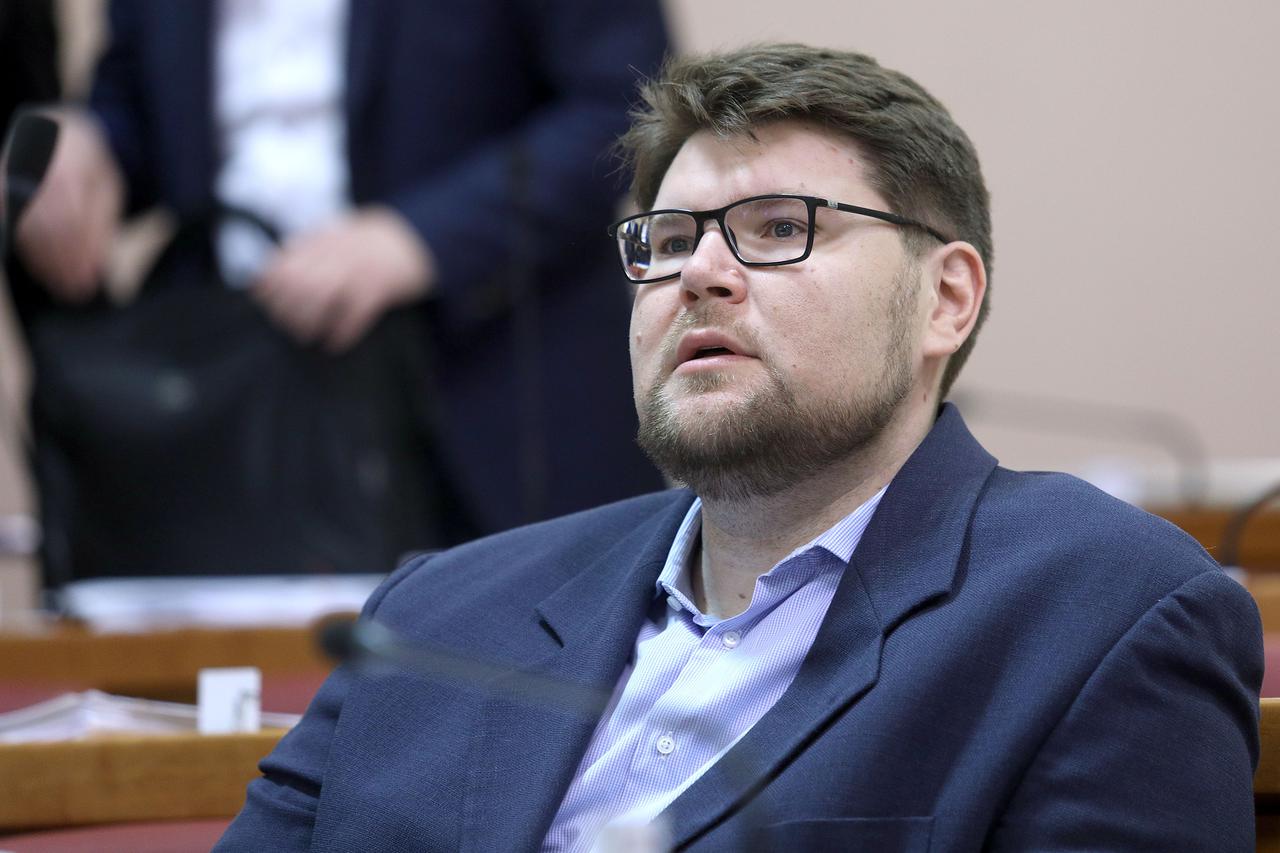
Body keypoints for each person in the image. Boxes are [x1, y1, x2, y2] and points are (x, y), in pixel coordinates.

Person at [216, 44, 1262, 851]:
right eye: (669, 241)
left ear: (945, 298)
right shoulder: (434, 615)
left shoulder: (1102, 614)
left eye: (776, 228)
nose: (698, 275)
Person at [7, 0, 668, 577]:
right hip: (245, 393)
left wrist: (420, 238)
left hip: (485, 384)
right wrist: (89, 145)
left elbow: (625, 104)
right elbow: (140, 109)